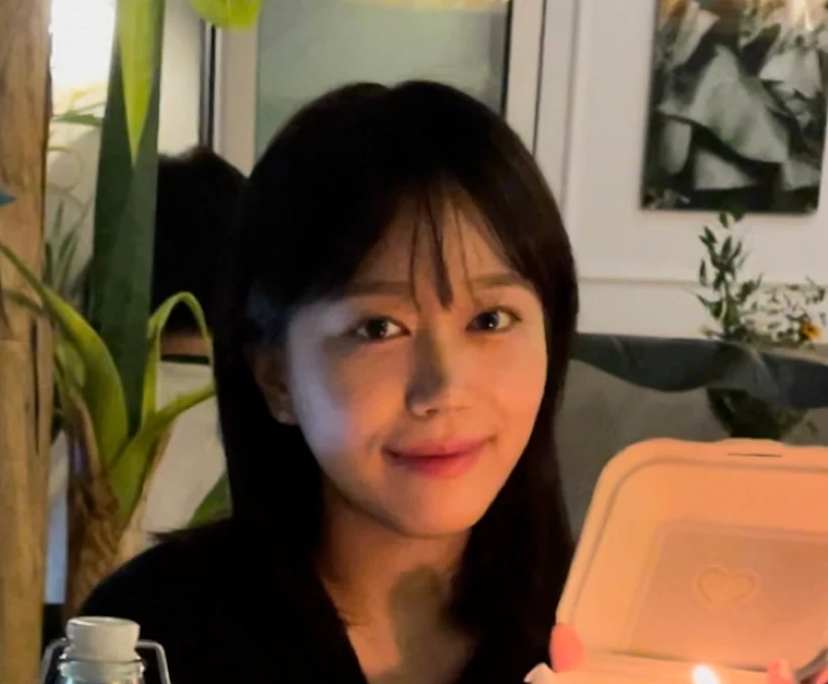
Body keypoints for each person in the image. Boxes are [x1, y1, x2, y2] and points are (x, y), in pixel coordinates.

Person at [82, 80, 579, 684]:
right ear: (275, 376)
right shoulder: (146, 638)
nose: (445, 389)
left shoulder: (620, 629)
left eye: (491, 320)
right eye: (379, 328)